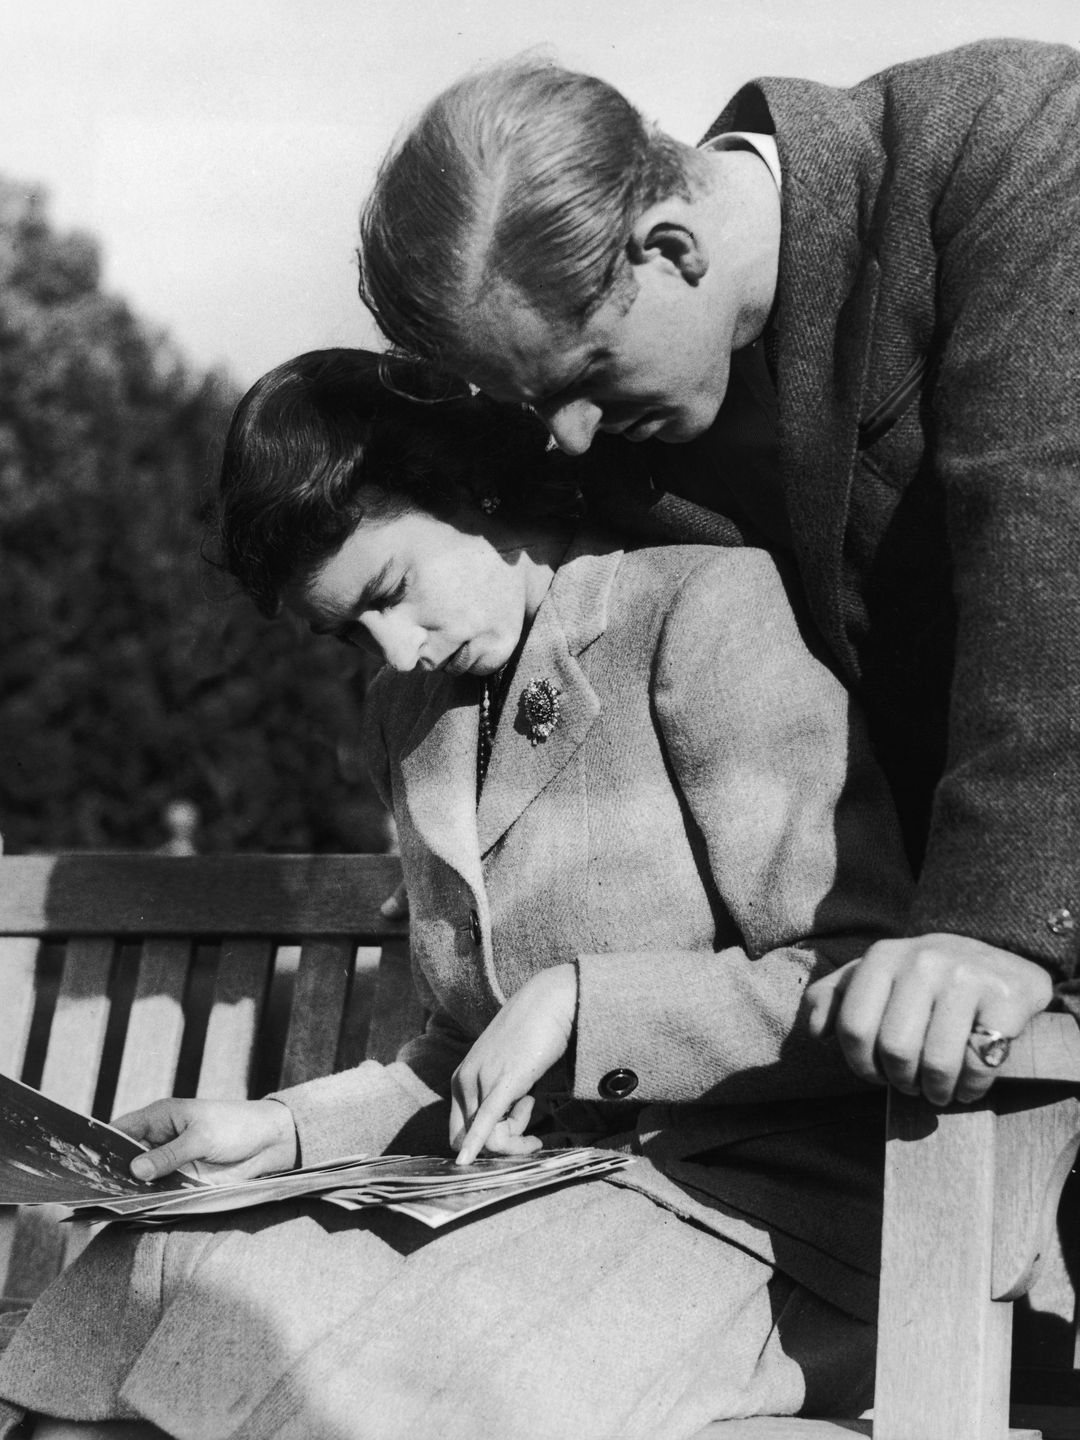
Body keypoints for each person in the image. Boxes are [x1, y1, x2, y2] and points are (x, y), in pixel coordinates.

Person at [0, 349, 919, 1440]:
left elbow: (855, 972)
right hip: (539, 1201)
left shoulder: (701, 612)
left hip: (768, 1228)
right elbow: (458, 1055)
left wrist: (584, 1005)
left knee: (312, 1334)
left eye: (389, 591)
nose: (393, 648)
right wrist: (278, 1131)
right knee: (153, 1260)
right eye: (349, 630)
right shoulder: (415, 713)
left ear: (474, 490)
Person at [353, 38, 1077, 1105]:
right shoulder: (617, 423)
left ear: (673, 247)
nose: (576, 440)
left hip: (998, 945)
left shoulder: (1009, 142)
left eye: (587, 374)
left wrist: (995, 925)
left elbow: (1051, 547)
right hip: (896, 1024)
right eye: (532, 406)